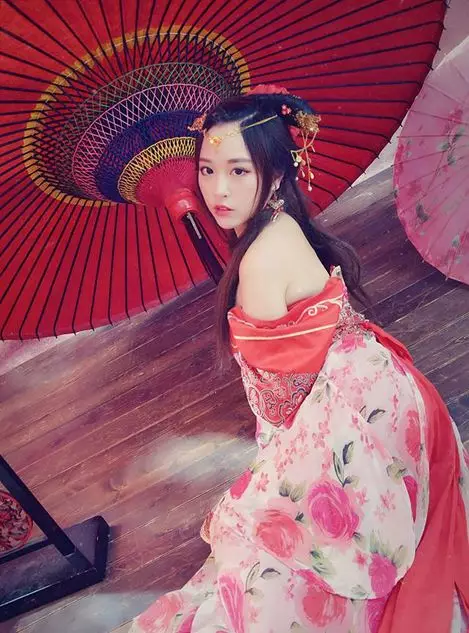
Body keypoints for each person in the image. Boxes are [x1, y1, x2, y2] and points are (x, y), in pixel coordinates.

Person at [130, 87, 469, 633]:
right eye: (208, 170)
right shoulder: (283, 222)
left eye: (239, 171)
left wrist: (269, 478)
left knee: (265, 564)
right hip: (386, 386)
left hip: (352, 418)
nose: (218, 190)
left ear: (275, 172)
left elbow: (279, 406)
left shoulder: (259, 263)